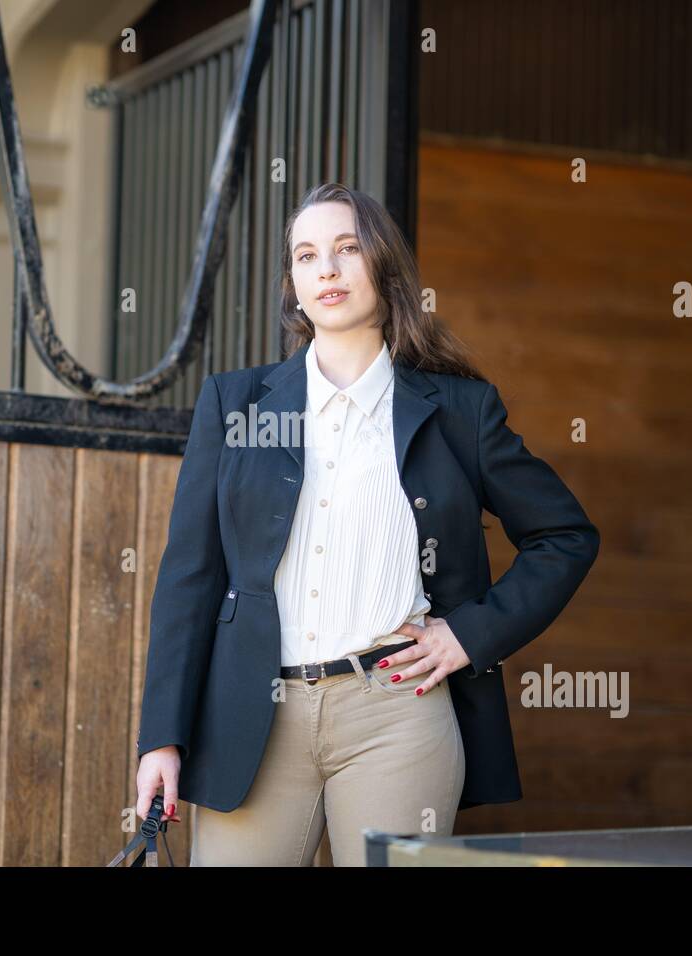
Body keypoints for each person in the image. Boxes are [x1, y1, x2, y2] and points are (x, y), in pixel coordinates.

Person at [133, 182, 600, 866]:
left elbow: (565, 535)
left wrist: (470, 634)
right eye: (306, 255)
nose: (326, 268)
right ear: (292, 286)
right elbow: (189, 580)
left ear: (383, 268)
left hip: (398, 717)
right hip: (252, 720)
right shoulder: (233, 404)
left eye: (347, 249)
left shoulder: (460, 411)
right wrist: (162, 738)